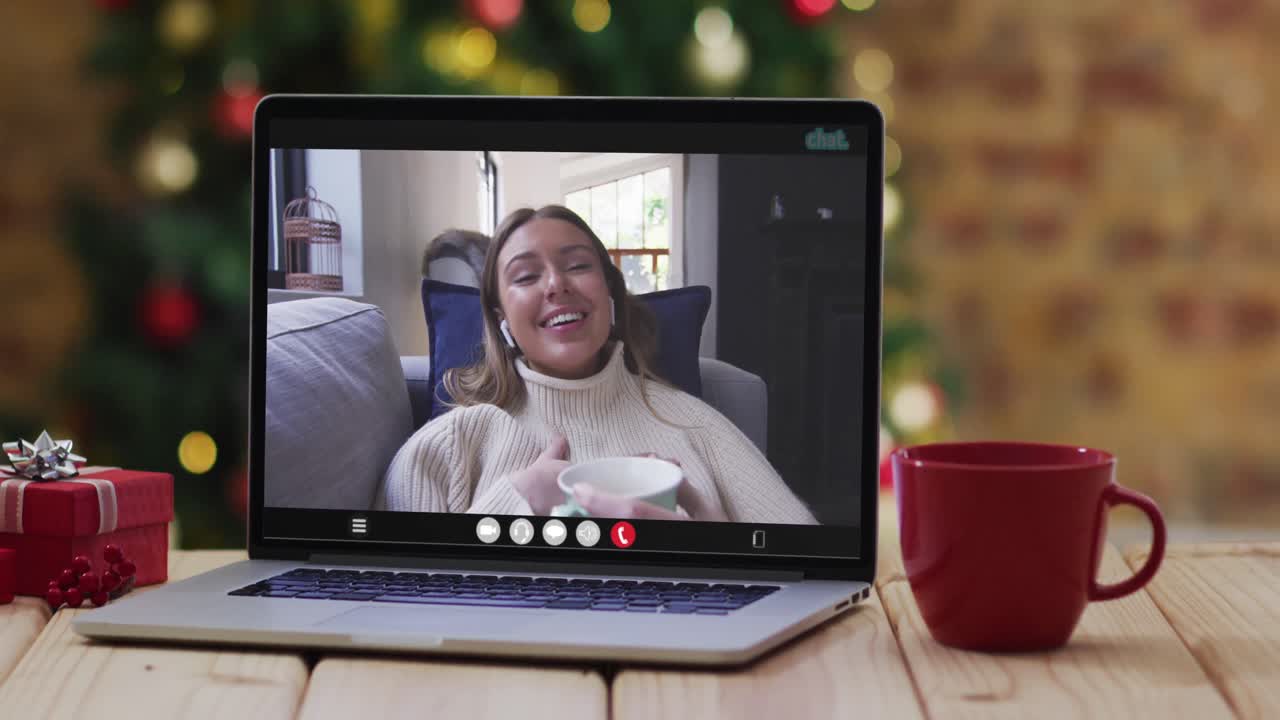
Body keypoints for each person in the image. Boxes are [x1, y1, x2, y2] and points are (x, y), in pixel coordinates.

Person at [378, 205, 816, 524]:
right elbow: (394, 600)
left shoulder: (697, 426)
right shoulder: (451, 444)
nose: (555, 284)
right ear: (500, 318)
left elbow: (804, 562)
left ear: (609, 294)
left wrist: (718, 547)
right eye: (527, 276)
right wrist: (519, 498)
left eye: (577, 266)